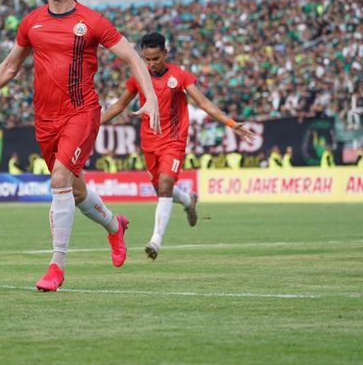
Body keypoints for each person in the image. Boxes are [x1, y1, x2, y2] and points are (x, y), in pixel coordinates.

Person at [0, 0, 161, 292]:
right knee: (75, 191)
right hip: (45, 119)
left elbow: (132, 57)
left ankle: (56, 266)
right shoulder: (31, 22)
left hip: (81, 112)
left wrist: (149, 97)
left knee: (59, 178)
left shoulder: (91, 21)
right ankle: (113, 226)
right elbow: (9, 67)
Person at [100, 32, 255, 260]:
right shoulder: (139, 77)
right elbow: (118, 106)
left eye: (156, 59)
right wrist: (91, 125)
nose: (151, 64)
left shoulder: (180, 77)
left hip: (173, 141)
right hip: (149, 143)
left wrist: (231, 123)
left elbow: (204, 103)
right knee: (161, 190)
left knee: (164, 186)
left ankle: (155, 241)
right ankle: (187, 199)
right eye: (147, 60)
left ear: (165, 53)